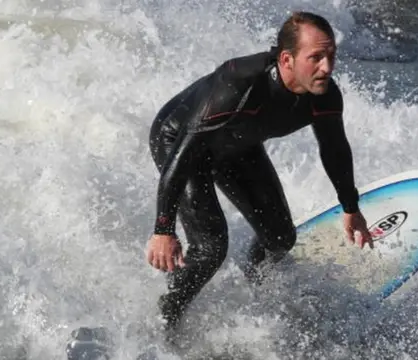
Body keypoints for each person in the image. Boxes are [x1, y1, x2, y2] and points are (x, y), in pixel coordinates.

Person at [146, 11, 373, 333]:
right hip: (180, 144)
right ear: (287, 59)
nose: (327, 67)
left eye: (331, 56)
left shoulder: (324, 94)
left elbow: (334, 150)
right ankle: (164, 319)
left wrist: (351, 207)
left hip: (238, 146)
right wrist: (163, 230)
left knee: (280, 238)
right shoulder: (239, 84)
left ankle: (258, 287)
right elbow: (184, 155)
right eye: (316, 57)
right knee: (211, 249)